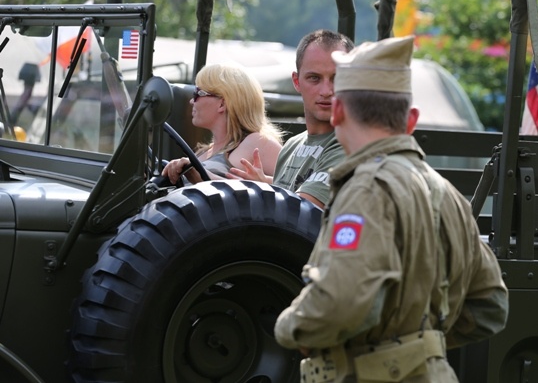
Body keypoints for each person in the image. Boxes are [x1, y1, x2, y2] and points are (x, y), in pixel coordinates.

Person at [274, 36, 508, 382]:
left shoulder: (364, 190)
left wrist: (287, 327)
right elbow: (490, 307)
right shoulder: (449, 195)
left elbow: (340, 304)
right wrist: (419, 343)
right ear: (411, 119)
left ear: (338, 111)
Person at [229, 29, 354, 208]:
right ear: (296, 81)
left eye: (337, 78)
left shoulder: (350, 144)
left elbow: (300, 212)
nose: (326, 91)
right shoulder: (291, 146)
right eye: (314, 78)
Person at [162, 62, 283, 184]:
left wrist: (265, 182)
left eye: (197, 93)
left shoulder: (258, 142)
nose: (192, 101)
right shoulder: (204, 152)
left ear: (222, 104)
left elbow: (295, 189)